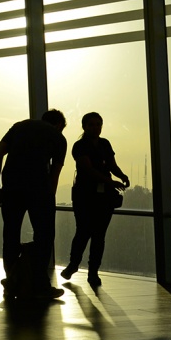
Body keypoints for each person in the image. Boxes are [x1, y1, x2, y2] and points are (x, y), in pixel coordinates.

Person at [0, 109, 68, 296]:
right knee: (44, 236)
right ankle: (40, 284)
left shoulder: (19, 126)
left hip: (12, 187)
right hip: (39, 190)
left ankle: (11, 280)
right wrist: (50, 198)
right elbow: (54, 175)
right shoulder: (58, 137)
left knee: (11, 233)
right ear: (59, 125)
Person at [61, 112, 130, 288]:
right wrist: (112, 181)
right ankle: (78, 266)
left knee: (97, 234)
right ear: (84, 126)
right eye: (92, 124)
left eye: (98, 124)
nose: (95, 127)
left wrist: (122, 176)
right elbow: (88, 170)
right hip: (86, 195)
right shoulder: (80, 146)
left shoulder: (104, 144)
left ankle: (88, 270)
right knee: (85, 231)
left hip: (99, 195)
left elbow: (112, 165)